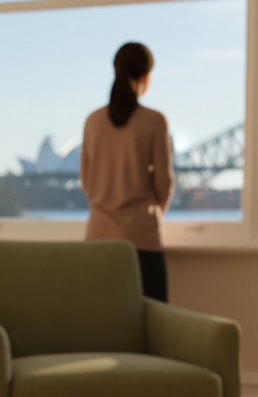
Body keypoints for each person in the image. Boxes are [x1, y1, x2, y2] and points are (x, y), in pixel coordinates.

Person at [79, 41, 175, 303]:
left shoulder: (92, 121)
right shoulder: (155, 121)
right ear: (146, 76)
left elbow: (86, 181)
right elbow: (164, 182)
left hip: (97, 238)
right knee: (153, 325)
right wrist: (150, 216)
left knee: (101, 324)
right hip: (142, 240)